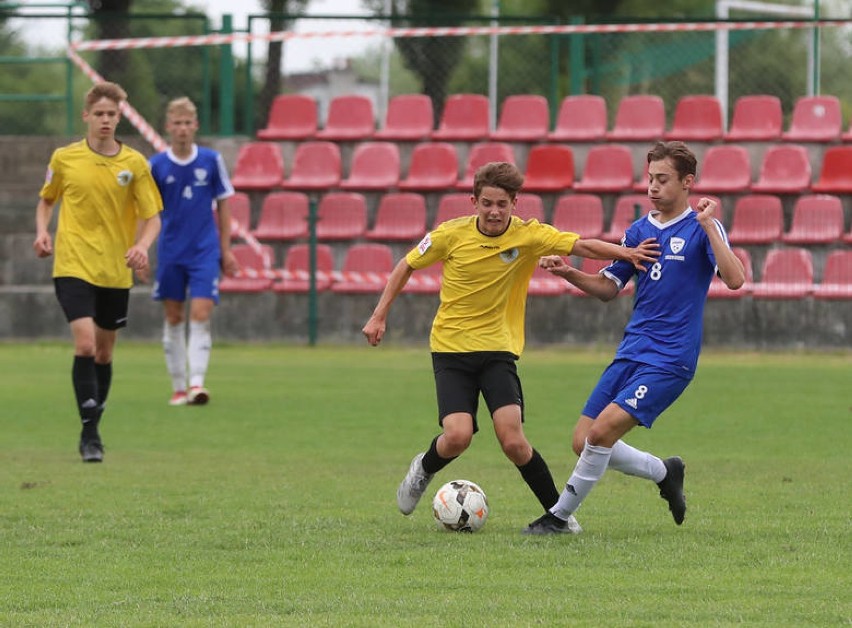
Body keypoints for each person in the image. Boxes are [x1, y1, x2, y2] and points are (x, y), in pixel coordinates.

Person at [363, 162, 660, 529]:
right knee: (457, 437)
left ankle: (560, 516)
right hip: (451, 349)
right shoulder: (448, 235)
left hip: (498, 350)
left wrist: (625, 254)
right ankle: (423, 468)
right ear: (473, 201)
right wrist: (379, 315)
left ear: (514, 203)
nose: (493, 211)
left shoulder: (528, 236)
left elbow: (581, 244)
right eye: (486, 203)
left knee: (514, 442)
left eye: (502, 204)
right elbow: (405, 266)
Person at [523, 141, 745, 535]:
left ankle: (558, 518)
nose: (652, 188)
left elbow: (735, 279)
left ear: (687, 182)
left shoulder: (701, 228)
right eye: (650, 180)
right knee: (583, 441)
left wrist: (709, 224)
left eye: (662, 180)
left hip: (671, 358)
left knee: (601, 433)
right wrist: (568, 272)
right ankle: (665, 472)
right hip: (632, 350)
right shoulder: (638, 231)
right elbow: (609, 288)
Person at [33, 81, 163, 463]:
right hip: (72, 264)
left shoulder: (134, 164)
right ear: (86, 116)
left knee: (104, 354)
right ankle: (90, 434)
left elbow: (152, 217)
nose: (106, 120)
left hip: (114, 270)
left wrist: (141, 246)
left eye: (112, 114)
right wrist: (42, 231)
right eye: (100, 114)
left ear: (119, 118)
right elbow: (46, 201)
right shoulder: (64, 158)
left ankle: (93, 422)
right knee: (86, 344)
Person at [149, 97, 238, 406]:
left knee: (201, 314)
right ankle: (177, 386)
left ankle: (197, 384)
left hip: (204, 251)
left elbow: (224, 206)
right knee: (174, 316)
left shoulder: (211, 161)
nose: (183, 129)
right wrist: (140, 248)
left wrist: (225, 250)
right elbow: (147, 212)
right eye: (177, 123)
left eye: (188, 123)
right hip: (171, 250)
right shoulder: (156, 165)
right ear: (168, 127)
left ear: (196, 126)